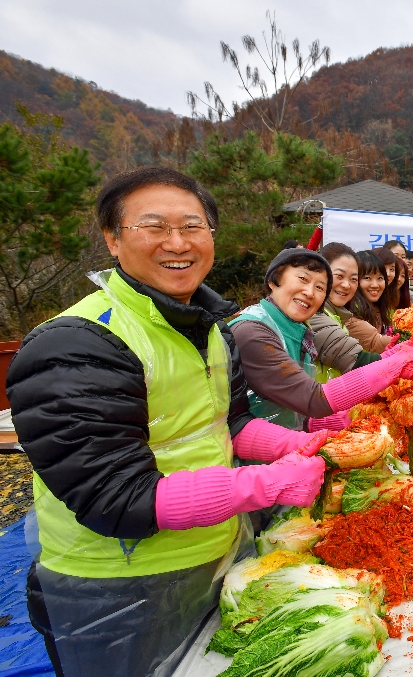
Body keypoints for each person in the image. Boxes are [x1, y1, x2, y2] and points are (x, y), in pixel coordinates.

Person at [6, 168, 333, 677]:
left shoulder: (211, 330)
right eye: (154, 227)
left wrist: (295, 446)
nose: (178, 243)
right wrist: (265, 484)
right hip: (116, 588)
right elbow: (114, 496)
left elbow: (230, 424)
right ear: (113, 239)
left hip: (215, 556)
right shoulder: (76, 342)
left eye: (192, 227)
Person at [229, 249, 413, 434]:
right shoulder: (253, 331)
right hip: (253, 459)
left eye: (320, 287)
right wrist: (395, 364)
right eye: (302, 279)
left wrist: (326, 423)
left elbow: (293, 405)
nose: (310, 292)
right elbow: (312, 398)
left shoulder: (299, 327)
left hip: (291, 442)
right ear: (273, 280)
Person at [309, 243, 385, 381]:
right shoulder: (310, 313)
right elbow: (355, 359)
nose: (346, 285)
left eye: (353, 279)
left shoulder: (337, 315)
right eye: (339, 276)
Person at [346, 250, 396, 352]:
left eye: (380, 278)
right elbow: (376, 343)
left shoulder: (379, 308)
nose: (375, 285)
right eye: (367, 278)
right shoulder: (350, 312)